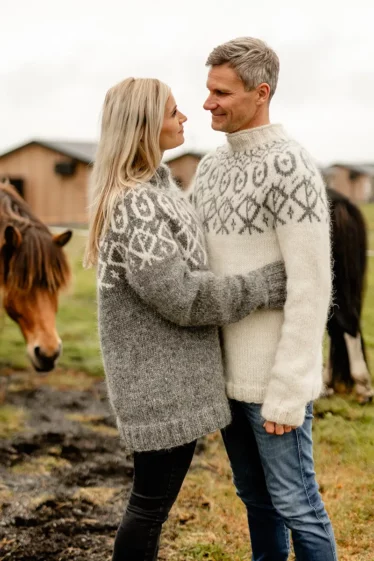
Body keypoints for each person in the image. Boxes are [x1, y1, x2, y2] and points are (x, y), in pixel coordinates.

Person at [84, 77, 287, 561]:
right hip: (161, 388)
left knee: (151, 506)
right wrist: (261, 285)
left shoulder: (160, 188)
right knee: (148, 507)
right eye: (173, 112)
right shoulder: (137, 203)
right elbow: (182, 296)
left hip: (171, 382)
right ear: (144, 125)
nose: (184, 118)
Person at [192, 37, 337, 561]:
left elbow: (310, 286)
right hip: (224, 379)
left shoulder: (292, 168)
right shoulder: (208, 169)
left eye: (220, 92)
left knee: (298, 504)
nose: (207, 102)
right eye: (207, 89)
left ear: (261, 92)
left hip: (272, 381)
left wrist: (288, 387)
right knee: (255, 499)